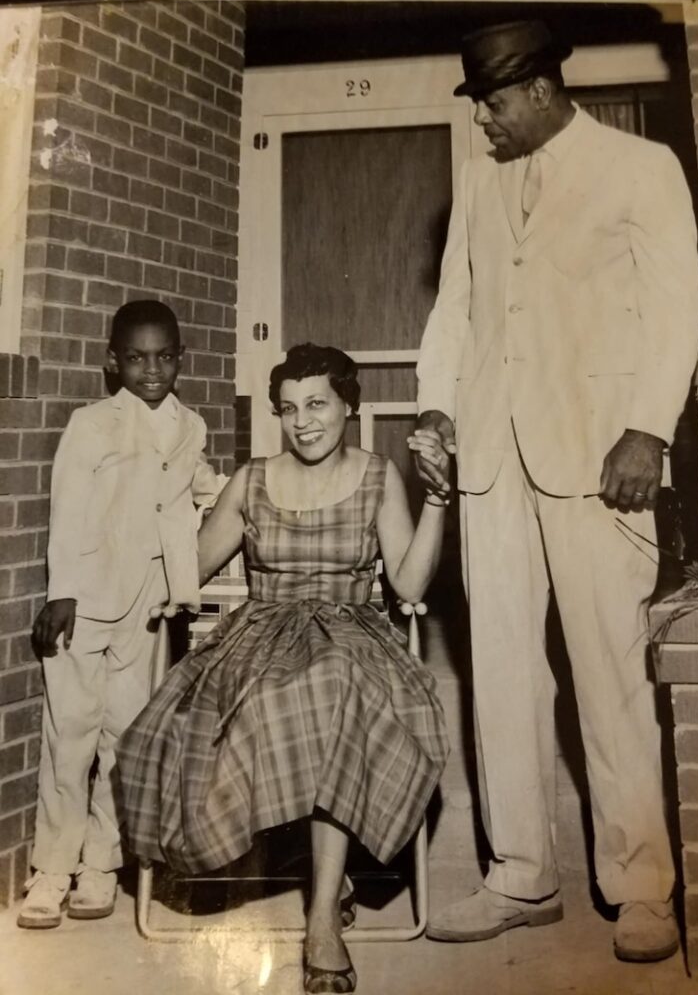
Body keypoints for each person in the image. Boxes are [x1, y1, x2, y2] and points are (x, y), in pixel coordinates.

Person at [414, 20, 698, 962]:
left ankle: (642, 887)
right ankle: (520, 874)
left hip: (600, 459)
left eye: (494, 104)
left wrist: (649, 428)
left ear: (541, 91)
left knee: (611, 671)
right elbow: (457, 308)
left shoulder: (640, 168)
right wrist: (437, 411)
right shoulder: (479, 182)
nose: (484, 122)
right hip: (492, 462)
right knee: (500, 671)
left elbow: (677, 306)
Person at [117, 343, 451, 995]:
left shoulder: (379, 476)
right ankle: (319, 865)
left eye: (317, 404)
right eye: (289, 409)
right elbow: (187, 569)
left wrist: (438, 499)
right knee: (279, 696)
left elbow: (410, 583)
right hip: (261, 636)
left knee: (335, 681)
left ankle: (321, 914)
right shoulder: (252, 481)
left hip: (353, 635)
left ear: (348, 406)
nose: (303, 422)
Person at [18, 300, 222, 930]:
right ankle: (52, 868)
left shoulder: (191, 426)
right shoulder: (91, 425)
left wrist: (249, 495)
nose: (151, 369)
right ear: (114, 362)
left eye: (164, 357)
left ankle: (101, 864)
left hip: (150, 608)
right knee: (71, 734)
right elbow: (69, 507)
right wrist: (63, 591)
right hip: (84, 604)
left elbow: (199, 487)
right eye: (136, 357)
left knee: (125, 737)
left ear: (181, 360)